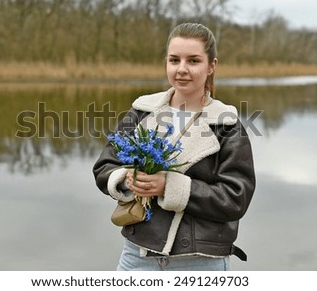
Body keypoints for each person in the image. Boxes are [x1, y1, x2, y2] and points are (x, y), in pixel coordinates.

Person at [93, 22, 255, 271]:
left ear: (211, 65)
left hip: (200, 262)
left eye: (193, 61)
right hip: (137, 257)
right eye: (174, 60)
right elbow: (105, 166)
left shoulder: (227, 124)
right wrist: (128, 179)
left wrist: (170, 186)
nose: (181, 69)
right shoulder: (142, 111)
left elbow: (236, 198)